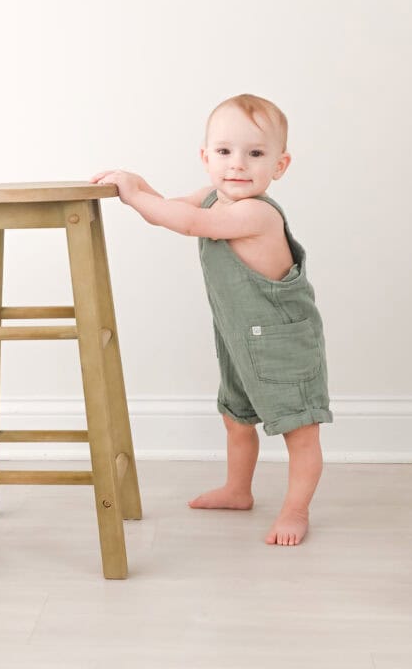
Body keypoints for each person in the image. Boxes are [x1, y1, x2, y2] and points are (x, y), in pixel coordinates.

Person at [89, 92, 332, 546]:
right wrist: (137, 187)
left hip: (283, 340)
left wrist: (135, 196)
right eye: (224, 152)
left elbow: (185, 224)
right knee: (237, 418)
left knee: (300, 430)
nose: (238, 164)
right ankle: (238, 490)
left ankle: (296, 510)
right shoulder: (210, 199)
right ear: (206, 157)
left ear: (279, 165)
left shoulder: (256, 213)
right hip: (240, 337)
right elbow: (170, 209)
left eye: (255, 153)